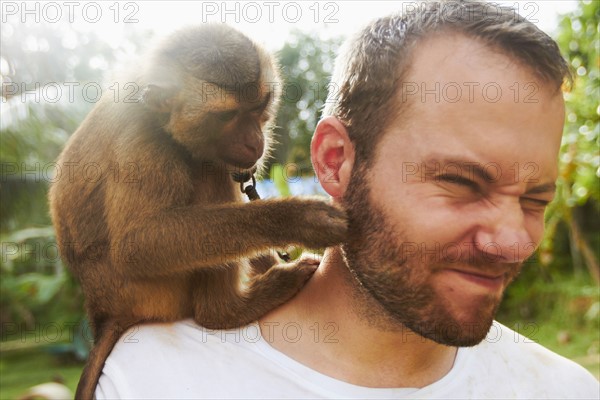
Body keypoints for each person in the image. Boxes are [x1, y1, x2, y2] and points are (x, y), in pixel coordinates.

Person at [96, 1, 600, 398]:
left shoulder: (565, 390)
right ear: (335, 161)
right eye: (461, 183)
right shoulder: (149, 381)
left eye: (536, 200)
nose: (513, 242)